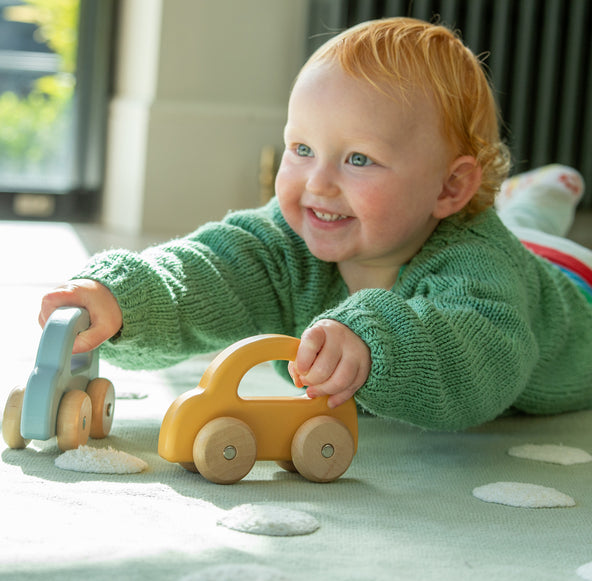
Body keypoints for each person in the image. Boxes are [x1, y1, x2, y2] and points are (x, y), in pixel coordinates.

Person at [39, 17, 592, 431]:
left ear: (449, 188)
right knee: (521, 223)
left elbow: (481, 361)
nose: (318, 185)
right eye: (301, 148)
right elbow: (209, 271)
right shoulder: (289, 235)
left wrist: (377, 342)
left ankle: (533, 204)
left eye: (357, 159)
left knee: (528, 240)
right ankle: (529, 199)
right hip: (510, 241)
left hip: (569, 283)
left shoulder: (480, 264)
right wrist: (126, 300)